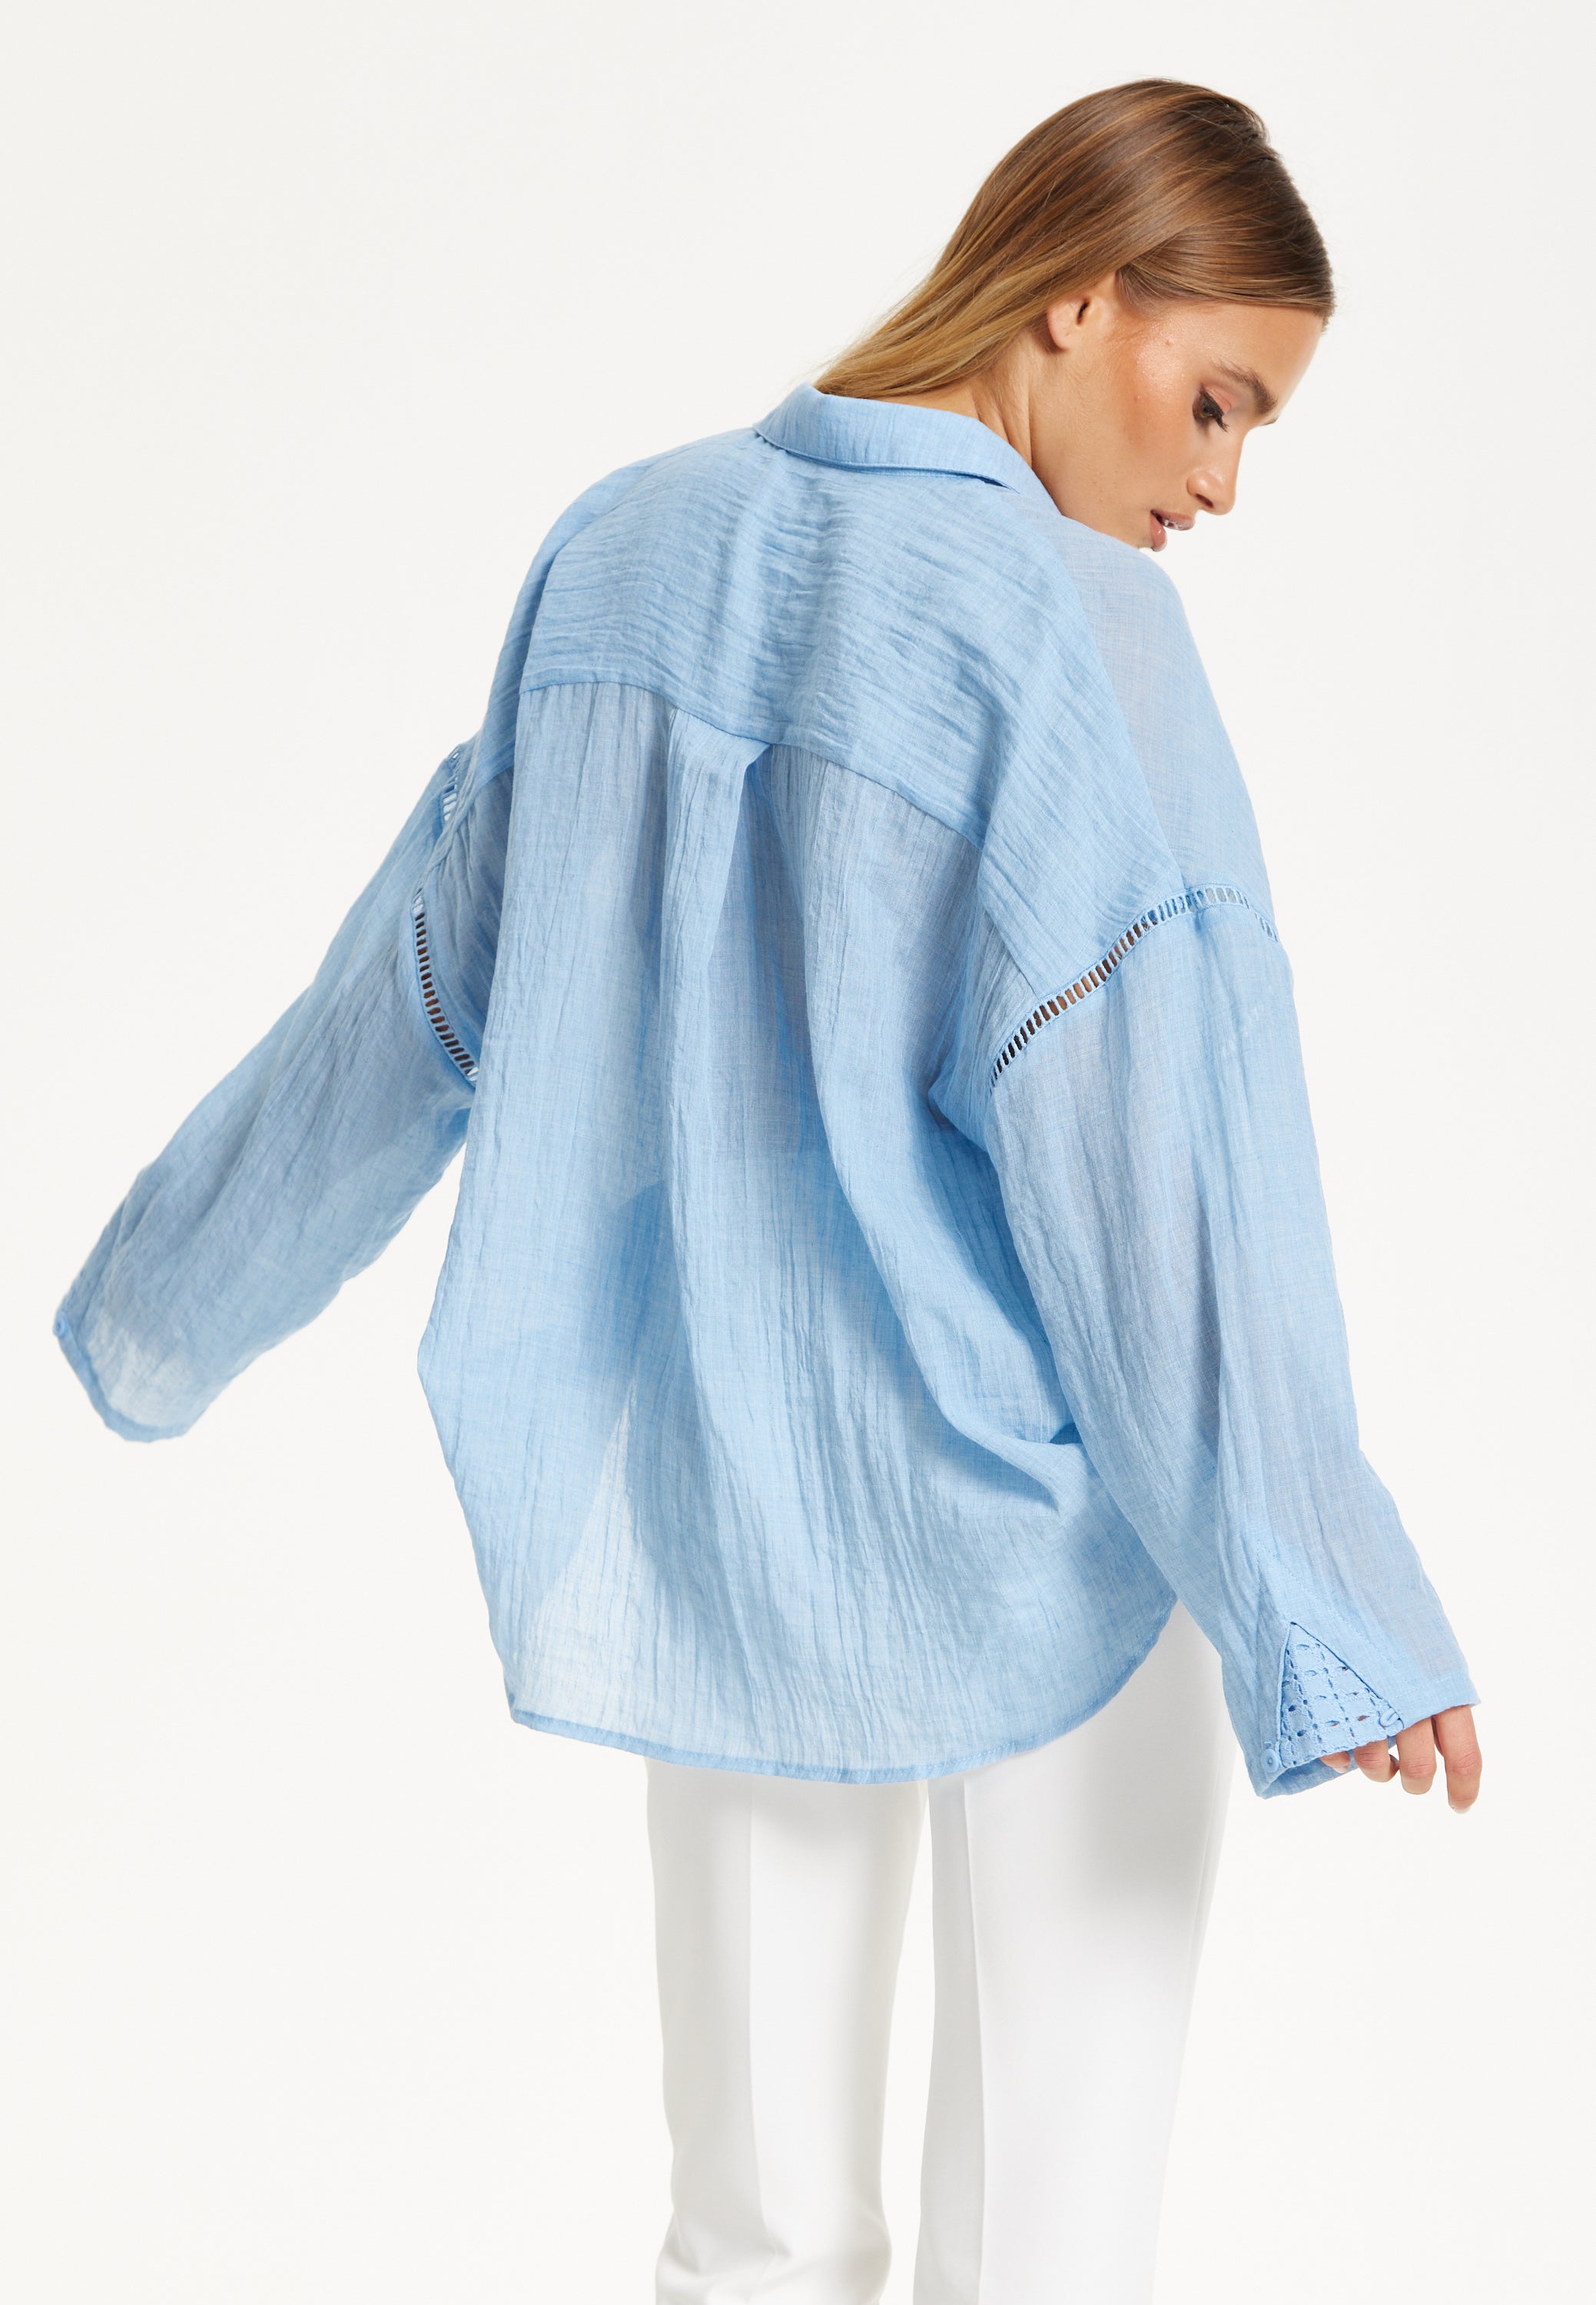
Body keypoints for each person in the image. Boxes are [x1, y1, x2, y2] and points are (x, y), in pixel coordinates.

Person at [55, 77, 1481, 2305]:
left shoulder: (624, 548)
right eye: (1217, 402)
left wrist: (162, 1300)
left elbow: (417, 985)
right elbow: (1165, 1151)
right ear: (1076, 297)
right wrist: (1326, 1602)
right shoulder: (1076, 628)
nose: (1218, 484)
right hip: (1079, 1520)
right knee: (1055, 2245)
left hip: (731, 1502)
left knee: (753, 2235)